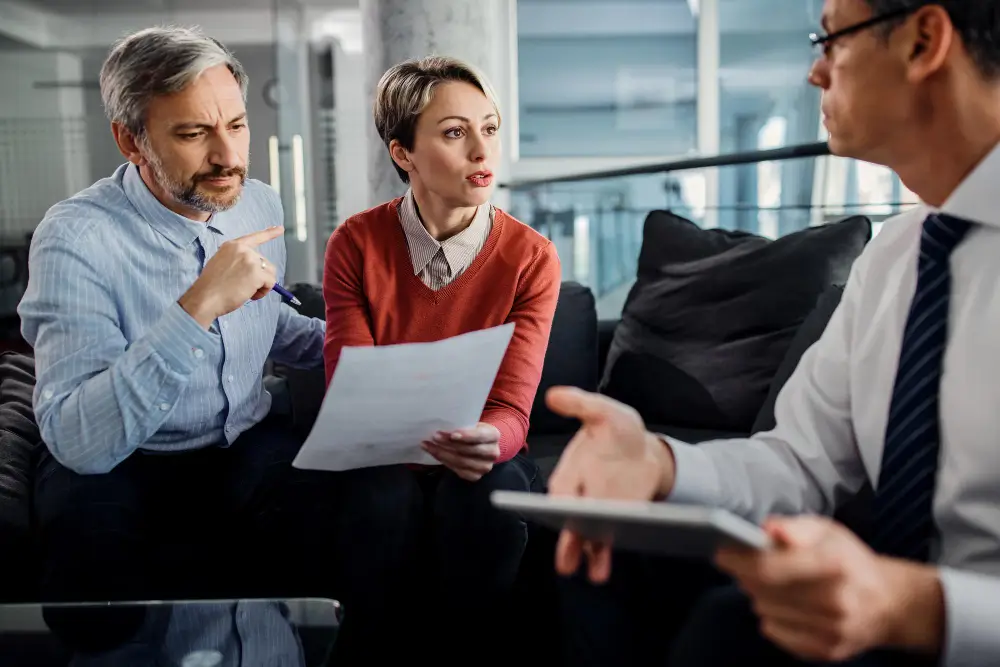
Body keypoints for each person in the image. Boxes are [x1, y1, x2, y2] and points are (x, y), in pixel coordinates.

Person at [545, 1, 1000, 666]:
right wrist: (661, 464)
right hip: (881, 613)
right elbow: (799, 460)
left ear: (924, 40)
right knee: (615, 569)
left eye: (831, 38)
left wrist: (916, 606)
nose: (816, 71)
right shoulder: (896, 258)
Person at [17, 26, 334, 625]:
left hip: (242, 442)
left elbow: (271, 324)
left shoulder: (258, 201)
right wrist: (197, 307)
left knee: (329, 517)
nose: (228, 157)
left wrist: (369, 349)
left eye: (236, 126)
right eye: (193, 133)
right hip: (122, 454)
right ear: (130, 141)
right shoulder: (75, 237)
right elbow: (82, 440)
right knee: (92, 582)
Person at [321, 56, 560, 664]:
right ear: (403, 153)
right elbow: (351, 386)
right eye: (455, 133)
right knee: (379, 501)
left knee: (486, 498)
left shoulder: (532, 257)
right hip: (383, 456)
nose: (482, 150)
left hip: (480, 454)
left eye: (490, 127)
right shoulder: (355, 242)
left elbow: (512, 406)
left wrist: (489, 437)